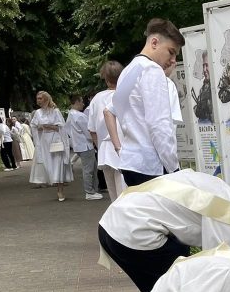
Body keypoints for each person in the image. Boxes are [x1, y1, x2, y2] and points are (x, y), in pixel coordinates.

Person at [98, 170, 230, 292]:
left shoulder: (222, 190)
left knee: (174, 276)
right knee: (177, 291)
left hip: (110, 224)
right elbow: (217, 269)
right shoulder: (229, 214)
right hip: (131, 231)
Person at [113, 18, 185, 187]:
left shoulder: (127, 71)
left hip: (130, 162)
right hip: (151, 166)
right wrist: (174, 168)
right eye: (171, 52)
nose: (173, 60)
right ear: (154, 42)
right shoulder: (152, 70)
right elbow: (159, 125)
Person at [88, 60, 126, 200]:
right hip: (125, 147)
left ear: (106, 79)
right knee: (125, 194)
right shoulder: (126, 94)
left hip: (105, 150)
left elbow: (92, 130)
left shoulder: (97, 99)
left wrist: (100, 146)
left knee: (114, 196)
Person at [29, 91, 72, 201]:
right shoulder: (38, 113)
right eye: (37, 98)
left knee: (58, 164)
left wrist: (49, 126)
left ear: (46, 99)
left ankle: (60, 190)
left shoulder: (55, 111)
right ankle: (53, 181)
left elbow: (61, 127)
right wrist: (40, 128)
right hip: (45, 141)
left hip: (56, 140)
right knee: (48, 164)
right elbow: (34, 126)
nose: (38, 100)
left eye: (40, 98)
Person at [66, 95, 102, 201]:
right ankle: (90, 191)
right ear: (77, 101)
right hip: (86, 145)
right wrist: (95, 140)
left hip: (79, 145)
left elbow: (68, 131)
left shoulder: (70, 115)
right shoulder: (79, 116)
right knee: (89, 169)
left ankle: (93, 190)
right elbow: (88, 131)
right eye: (81, 101)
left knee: (91, 168)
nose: (83, 104)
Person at [193, 55, 215, 123]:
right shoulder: (204, 87)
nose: (204, 70)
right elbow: (198, 112)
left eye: (207, 65)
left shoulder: (218, 86)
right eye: (203, 66)